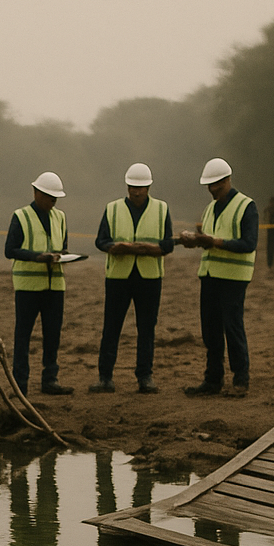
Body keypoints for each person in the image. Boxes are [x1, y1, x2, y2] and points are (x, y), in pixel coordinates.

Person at [91, 162, 173, 395]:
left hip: (149, 277)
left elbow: (168, 244)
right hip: (119, 277)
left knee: (147, 328)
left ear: (148, 187)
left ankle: (145, 377)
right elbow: (101, 241)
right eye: (132, 187)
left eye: (141, 187)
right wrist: (115, 247)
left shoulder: (161, 209)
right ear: (127, 186)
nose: (136, 192)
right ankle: (105, 377)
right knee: (111, 327)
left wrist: (150, 248)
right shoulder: (112, 208)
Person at [178, 158, 257, 397]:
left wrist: (212, 242)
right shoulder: (210, 209)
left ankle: (240, 379)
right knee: (210, 329)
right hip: (210, 275)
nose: (212, 190)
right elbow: (210, 242)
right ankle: (213, 379)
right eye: (209, 186)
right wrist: (195, 242)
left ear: (227, 180)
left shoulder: (246, 206)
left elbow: (249, 244)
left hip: (234, 277)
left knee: (233, 327)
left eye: (216, 185)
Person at [3, 171, 76, 397]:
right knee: (23, 335)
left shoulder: (60, 217)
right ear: (36, 193)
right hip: (28, 287)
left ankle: (50, 380)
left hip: (55, 286)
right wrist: (37, 257)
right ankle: (20, 384)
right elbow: (10, 250)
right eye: (49, 197)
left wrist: (61, 255)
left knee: (53, 335)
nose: (53, 202)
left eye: (56, 198)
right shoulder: (21, 216)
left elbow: (62, 245)